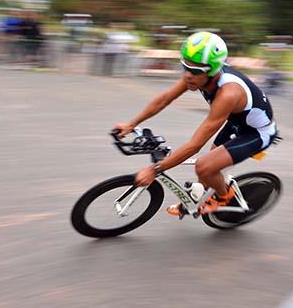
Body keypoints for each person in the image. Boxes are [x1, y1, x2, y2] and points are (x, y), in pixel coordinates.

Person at [113, 31, 278, 216]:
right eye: (185, 66)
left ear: (213, 70)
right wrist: (131, 124)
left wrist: (154, 169)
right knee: (210, 165)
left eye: (196, 70)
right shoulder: (196, 75)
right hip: (237, 121)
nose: (188, 75)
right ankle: (202, 192)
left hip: (257, 133)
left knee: (204, 165)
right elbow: (164, 99)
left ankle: (224, 198)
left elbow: (194, 145)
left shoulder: (228, 93)